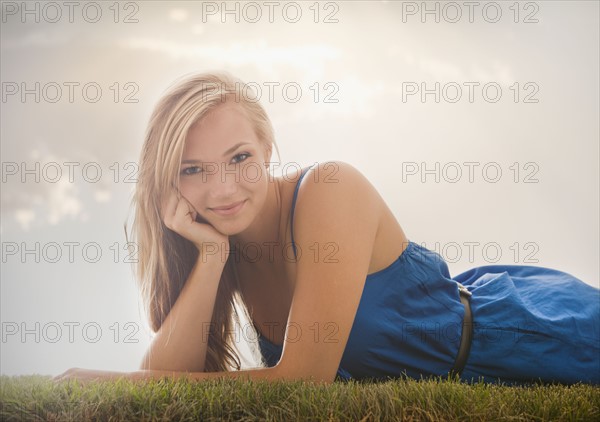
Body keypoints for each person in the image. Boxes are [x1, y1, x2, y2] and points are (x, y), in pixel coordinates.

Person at [54, 71, 599, 385]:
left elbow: (302, 381)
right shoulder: (223, 245)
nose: (222, 189)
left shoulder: (330, 189)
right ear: (168, 184)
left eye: (239, 156)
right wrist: (211, 259)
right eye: (192, 170)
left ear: (267, 147)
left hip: (528, 334)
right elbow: (161, 387)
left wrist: (108, 380)